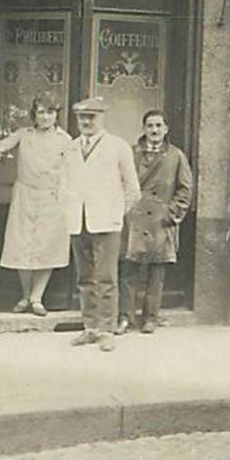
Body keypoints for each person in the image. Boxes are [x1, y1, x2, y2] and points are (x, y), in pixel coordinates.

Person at [59, 96, 140, 352]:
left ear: (102, 118)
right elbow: (62, 184)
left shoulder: (117, 147)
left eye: (91, 117)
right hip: (77, 220)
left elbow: (133, 189)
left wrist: (116, 212)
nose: (86, 122)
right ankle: (90, 327)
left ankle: (107, 329)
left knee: (105, 277)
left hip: (107, 221)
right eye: (82, 117)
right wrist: (68, 209)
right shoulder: (71, 148)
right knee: (84, 277)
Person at [0, 96, 71, 315]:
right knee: (22, 245)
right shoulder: (24, 135)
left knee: (47, 246)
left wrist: (63, 194)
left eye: (50, 112)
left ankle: (37, 298)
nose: (46, 117)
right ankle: (25, 296)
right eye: (41, 112)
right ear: (34, 114)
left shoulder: (64, 139)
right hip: (24, 195)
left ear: (56, 115)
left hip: (51, 198)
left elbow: (72, 169)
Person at [117, 109, 193, 335]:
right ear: (143, 129)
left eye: (159, 126)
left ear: (166, 129)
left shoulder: (176, 156)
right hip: (134, 219)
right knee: (128, 271)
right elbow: (118, 182)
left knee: (156, 273)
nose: (154, 130)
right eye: (150, 126)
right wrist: (123, 210)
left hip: (160, 221)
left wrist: (171, 214)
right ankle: (125, 317)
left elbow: (185, 189)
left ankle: (151, 317)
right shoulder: (131, 154)